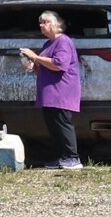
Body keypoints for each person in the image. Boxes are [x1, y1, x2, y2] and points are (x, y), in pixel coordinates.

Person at [18, 9, 84, 169]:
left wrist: (34, 56)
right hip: (49, 93)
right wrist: (33, 65)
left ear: (55, 24)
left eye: (45, 22)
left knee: (62, 123)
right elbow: (46, 67)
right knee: (53, 125)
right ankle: (63, 157)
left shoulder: (63, 41)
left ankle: (73, 158)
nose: (41, 25)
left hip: (61, 92)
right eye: (40, 22)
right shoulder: (48, 44)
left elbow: (59, 65)